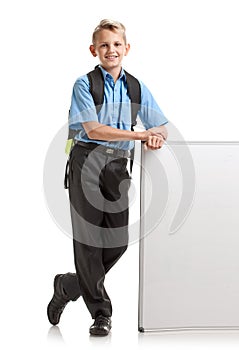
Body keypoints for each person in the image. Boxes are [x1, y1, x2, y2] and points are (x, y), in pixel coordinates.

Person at [47, 19, 168, 336]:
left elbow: (160, 125)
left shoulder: (136, 87)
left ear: (126, 49)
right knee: (88, 241)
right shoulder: (84, 85)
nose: (110, 50)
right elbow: (93, 129)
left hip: (118, 167)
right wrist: (140, 134)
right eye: (104, 45)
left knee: (118, 241)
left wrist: (155, 136)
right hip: (86, 161)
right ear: (94, 50)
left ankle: (70, 285)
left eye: (116, 44)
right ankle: (101, 314)